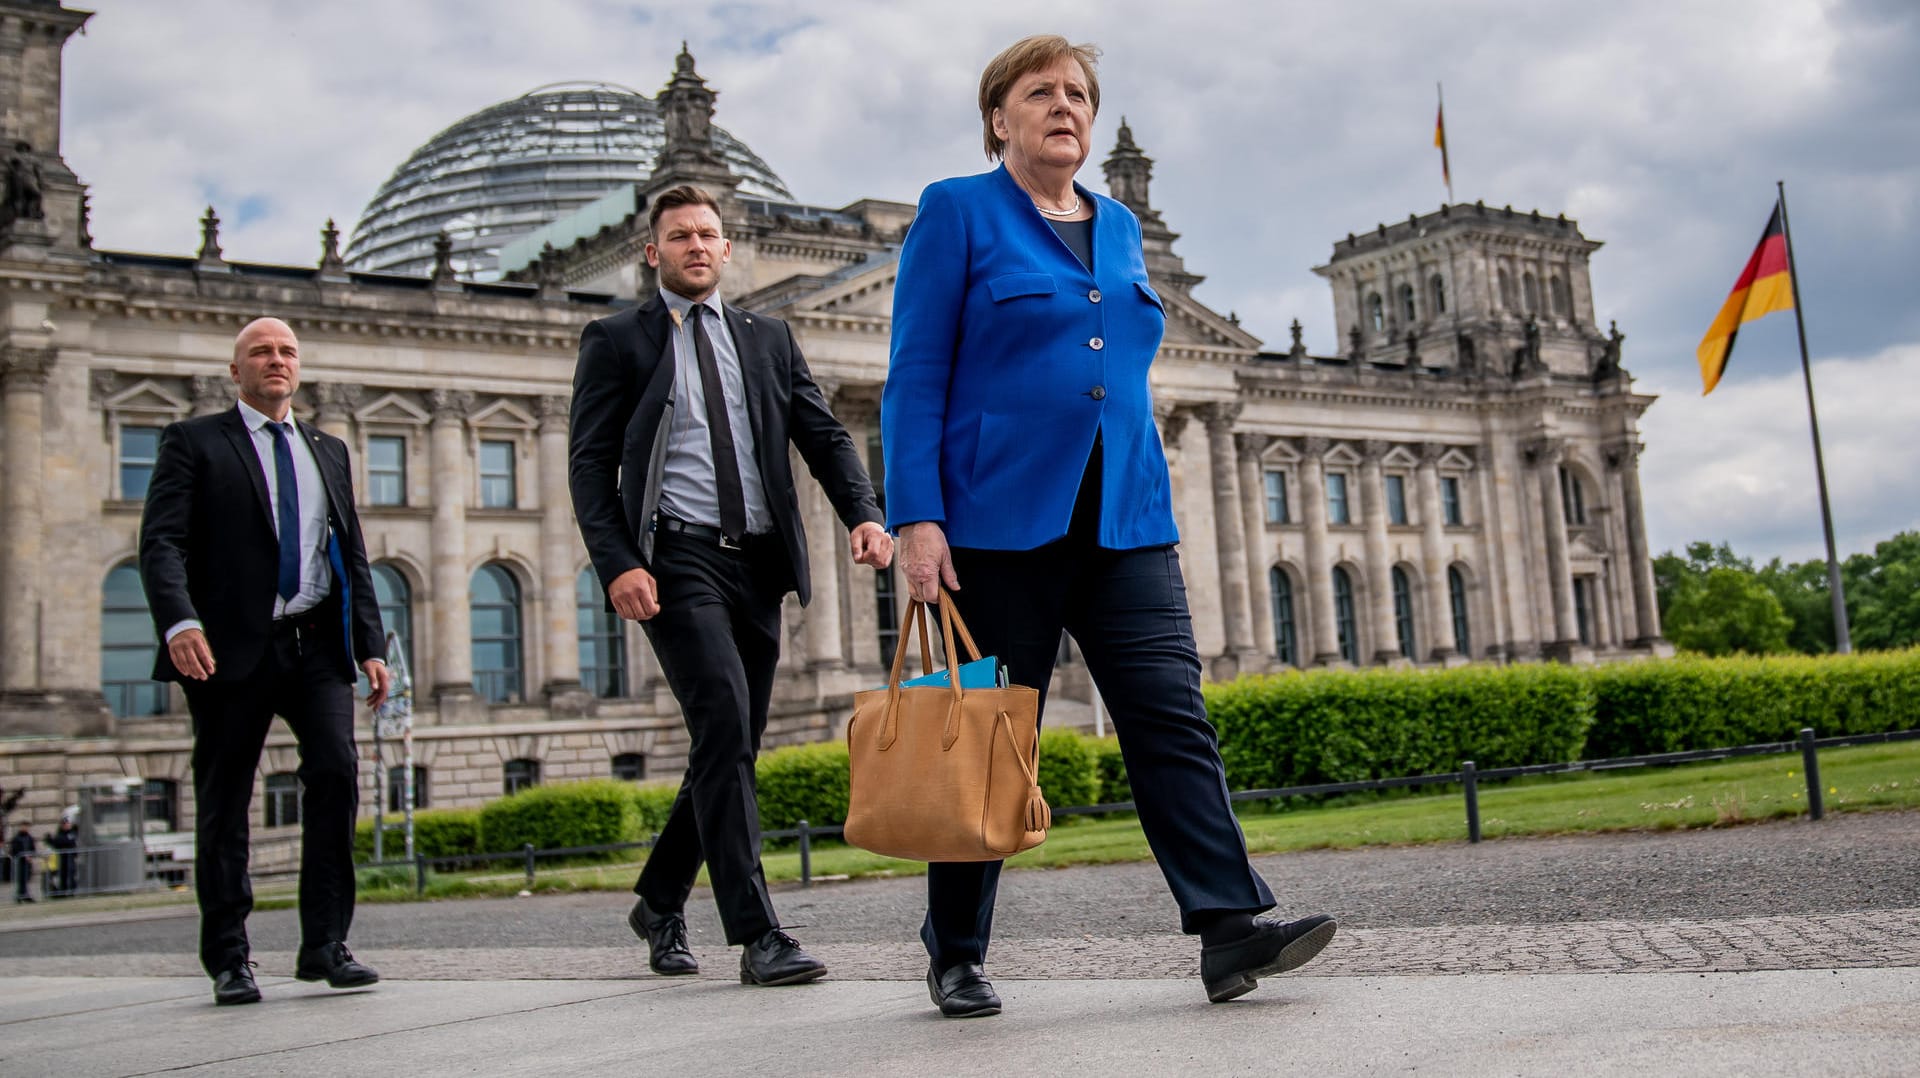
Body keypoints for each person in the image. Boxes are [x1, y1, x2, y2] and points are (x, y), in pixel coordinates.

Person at [881, 35, 1338, 1017]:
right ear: (998, 115)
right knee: (986, 741)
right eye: (1040, 91)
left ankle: (1227, 925)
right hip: (996, 525)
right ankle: (956, 950)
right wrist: (917, 517)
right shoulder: (955, 211)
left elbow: (1112, 363)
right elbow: (915, 373)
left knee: (1171, 716)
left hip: (1126, 517)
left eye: (1079, 93)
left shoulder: (1121, 225)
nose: (1064, 106)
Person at [569, 184, 893, 987]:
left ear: (727, 248)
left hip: (757, 562)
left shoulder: (769, 337)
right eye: (680, 236)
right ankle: (757, 934)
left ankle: (659, 898)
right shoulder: (616, 339)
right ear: (654, 252)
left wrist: (863, 511)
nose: (696, 247)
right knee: (721, 721)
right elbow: (588, 465)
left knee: (732, 742)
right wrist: (620, 562)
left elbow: (821, 433)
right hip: (677, 559)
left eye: (708, 235)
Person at [139, 317, 390, 1007]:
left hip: (315, 645)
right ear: (236, 370)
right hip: (226, 649)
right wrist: (179, 621)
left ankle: (326, 945)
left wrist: (370, 644)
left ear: (298, 367)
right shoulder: (193, 442)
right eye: (261, 352)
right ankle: (229, 956)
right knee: (225, 799)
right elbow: (160, 543)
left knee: (337, 775)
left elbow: (353, 558)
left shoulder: (328, 448)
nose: (275, 361)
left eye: (286, 352)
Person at [46, 816, 77, 898]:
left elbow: (70, 842)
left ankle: (71, 892)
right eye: (65, 824)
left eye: (67, 823)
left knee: (71, 876)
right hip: (63, 858)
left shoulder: (72, 833)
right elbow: (58, 843)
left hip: (70, 858)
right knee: (63, 876)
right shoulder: (60, 834)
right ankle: (63, 893)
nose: (67, 825)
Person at [7, 824, 32, 903]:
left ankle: (24, 895)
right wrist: (23, 855)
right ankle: (20, 896)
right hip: (19, 862)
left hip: (27, 862)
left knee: (25, 879)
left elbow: (32, 847)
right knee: (20, 879)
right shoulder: (16, 838)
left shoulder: (29, 837)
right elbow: (13, 850)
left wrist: (30, 855)